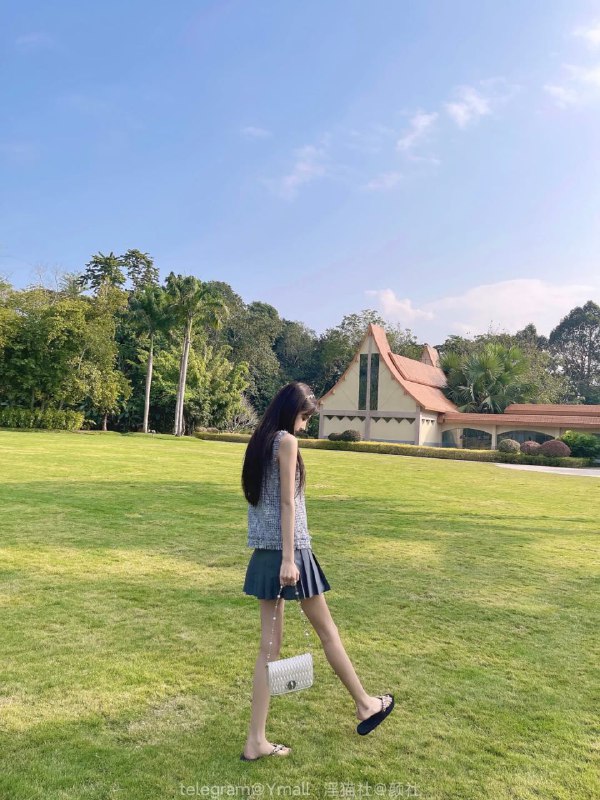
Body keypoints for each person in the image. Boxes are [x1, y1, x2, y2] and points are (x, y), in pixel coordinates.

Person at [239, 380, 394, 762]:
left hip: (265, 554)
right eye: (305, 417)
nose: (305, 425)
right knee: (328, 633)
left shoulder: (260, 441)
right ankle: (365, 705)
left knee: (269, 649)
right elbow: (287, 504)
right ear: (293, 411)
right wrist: (289, 559)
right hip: (290, 553)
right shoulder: (286, 442)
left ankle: (255, 740)